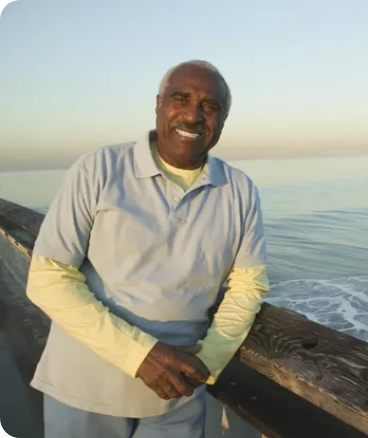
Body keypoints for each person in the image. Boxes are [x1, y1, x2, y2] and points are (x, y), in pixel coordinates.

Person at [25, 60, 269, 438]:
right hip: (85, 391)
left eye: (210, 106)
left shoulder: (239, 191)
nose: (193, 114)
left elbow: (247, 287)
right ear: (158, 104)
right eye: (181, 98)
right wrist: (139, 355)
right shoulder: (99, 169)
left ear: (222, 120)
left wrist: (206, 362)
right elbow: (47, 278)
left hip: (178, 399)